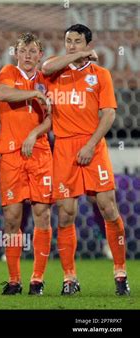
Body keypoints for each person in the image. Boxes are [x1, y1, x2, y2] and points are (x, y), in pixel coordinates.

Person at [42, 24, 130, 296]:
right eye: (68, 41)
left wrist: (91, 145)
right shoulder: (55, 72)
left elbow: (109, 115)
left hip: (93, 146)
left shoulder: (100, 75)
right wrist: (78, 55)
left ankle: (120, 272)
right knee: (66, 212)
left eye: (77, 41)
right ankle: (69, 278)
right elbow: (45, 67)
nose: (71, 45)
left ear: (88, 43)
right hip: (65, 149)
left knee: (107, 207)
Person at [0, 33, 52, 295]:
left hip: (39, 152)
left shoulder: (48, 79)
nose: (28, 56)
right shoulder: (8, 72)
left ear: (40, 55)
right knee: (12, 218)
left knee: (42, 213)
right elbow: (3, 94)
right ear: (15, 53)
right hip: (10, 153)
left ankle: (37, 280)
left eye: (32, 51)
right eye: (23, 51)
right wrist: (34, 94)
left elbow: (53, 118)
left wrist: (34, 134)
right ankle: (15, 279)